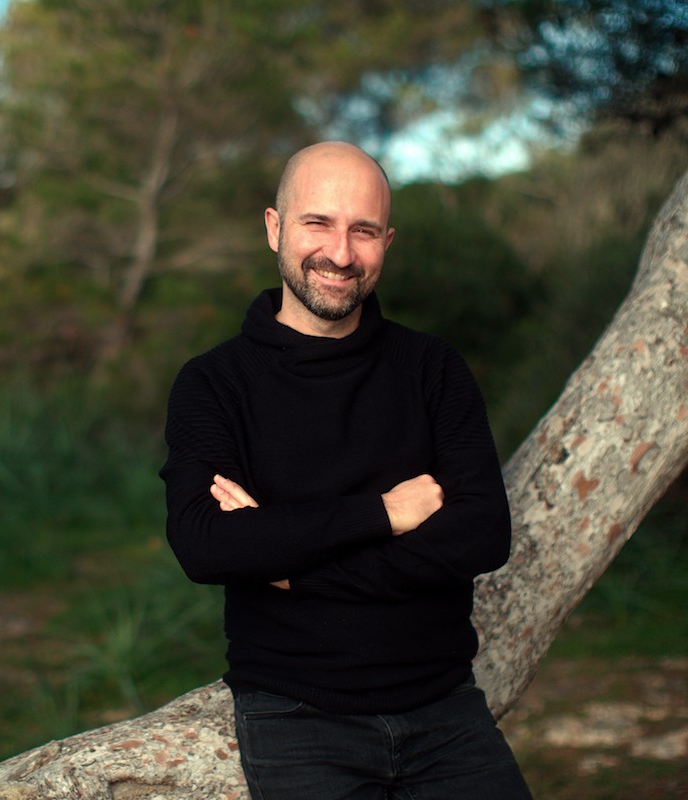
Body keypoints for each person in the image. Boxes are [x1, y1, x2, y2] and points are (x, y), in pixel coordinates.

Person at [159, 141, 531, 800]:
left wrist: (287, 566)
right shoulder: (213, 383)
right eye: (318, 223)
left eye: (363, 230)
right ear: (274, 228)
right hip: (295, 715)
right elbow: (207, 545)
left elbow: (481, 535)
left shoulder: (432, 368)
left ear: (386, 241)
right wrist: (384, 514)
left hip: (446, 709)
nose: (340, 252)